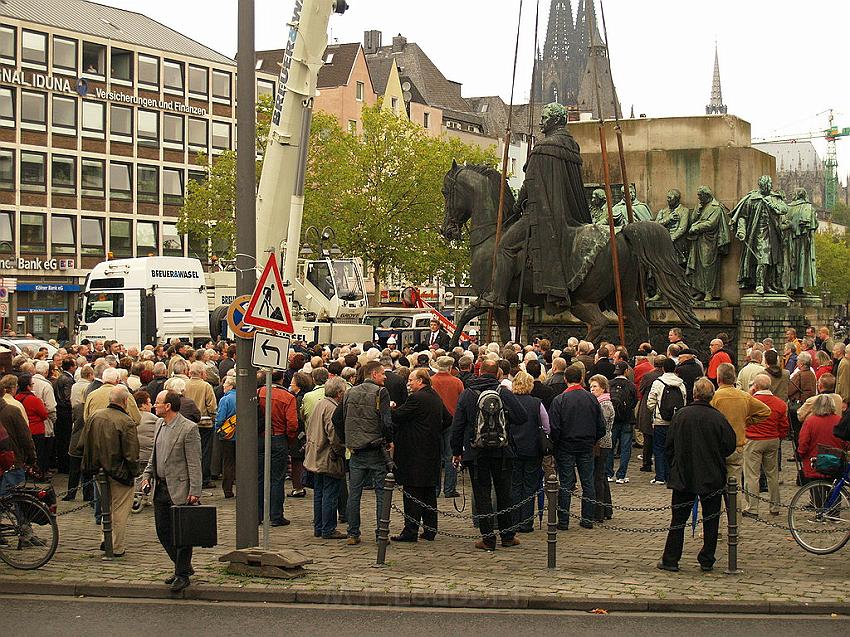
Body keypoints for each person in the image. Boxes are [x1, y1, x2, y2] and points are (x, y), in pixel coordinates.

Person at [478, 103, 602, 312]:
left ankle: (497, 296)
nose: (541, 121)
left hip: (541, 215)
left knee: (505, 247)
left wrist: (516, 208)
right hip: (568, 214)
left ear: (555, 120)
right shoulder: (571, 146)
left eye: (544, 118)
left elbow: (530, 183)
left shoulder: (543, 149)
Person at [658, 377, 736, 573]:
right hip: (711, 474)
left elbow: (669, 445)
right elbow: (729, 445)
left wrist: (674, 466)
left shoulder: (681, 416)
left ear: (694, 394)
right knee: (711, 519)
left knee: (678, 519)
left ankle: (671, 558)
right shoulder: (718, 418)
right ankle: (707, 558)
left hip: (684, 473)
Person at [451, 359, 527, 549]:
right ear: (498, 374)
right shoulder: (503, 392)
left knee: (482, 493)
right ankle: (507, 535)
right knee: (504, 493)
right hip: (502, 451)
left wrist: (456, 451)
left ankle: (487, 538)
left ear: (479, 372)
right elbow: (522, 417)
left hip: (476, 451)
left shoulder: (468, 394)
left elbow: (457, 425)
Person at [140, 391, 202, 593]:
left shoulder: (188, 429)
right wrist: (147, 476)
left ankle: (182, 574)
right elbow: (154, 456)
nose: (154, 406)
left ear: (168, 406)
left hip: (180, 488)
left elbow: (194, 462)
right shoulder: (159, 425)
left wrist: (195, 490)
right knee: (163, 531)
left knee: (182, 534)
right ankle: (182, 566)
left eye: (157, 403)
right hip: (160, 487)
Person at [390, 369, 452, 542]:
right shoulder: (434, 396)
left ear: (420, 381)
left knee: (412, 492)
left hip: (414, 452)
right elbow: (447, 419)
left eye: (411, 380)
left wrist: (389, 407)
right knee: (428, 493)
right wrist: (433, 430)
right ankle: (430, 529)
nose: (408, 383)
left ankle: (410, 530)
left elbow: (398, 416)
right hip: (432, 450)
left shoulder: (417, 398)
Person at [78, 385, 139, 557]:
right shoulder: (126, 421)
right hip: (119, 472)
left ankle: (105, 539)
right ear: (126, 401)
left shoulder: (95, 417)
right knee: (119, 510)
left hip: (98, 469)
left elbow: (82, 444)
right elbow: (131, 453)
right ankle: (116, 545)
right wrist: (134, 472)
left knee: (107, 506)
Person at [342, 360, 394, 545]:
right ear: (374, 374)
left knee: (354, 493)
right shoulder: (381, 392)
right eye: (382, 374)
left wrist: (346, 440)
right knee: (381, 492)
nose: (385, 377)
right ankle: (381, 533)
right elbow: (386, 421)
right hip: (375, 447)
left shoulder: (349, 392)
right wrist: (389, 441)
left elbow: (339, 418)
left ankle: (352, 533)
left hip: (356, 449)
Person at [549, 364, 604, 530]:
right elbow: (600, 425)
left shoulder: (560, 400)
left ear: (565, 379)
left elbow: (555, 427)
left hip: (566, 444)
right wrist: (592, 438)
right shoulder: (591, 398)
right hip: (586, 444)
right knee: (588, 482)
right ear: (581, 378)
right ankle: (587, 518)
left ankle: (564, 521)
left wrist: (557, 443)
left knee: (565, 483)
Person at [304, 376, 348, 540]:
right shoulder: (331, 408)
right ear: (339, 393)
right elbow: (334, 434)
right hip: (327, 456)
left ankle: (319, 527)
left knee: (320, 493)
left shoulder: (320, 404)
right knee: (329, 493)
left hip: (316, 455)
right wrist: (339, 451)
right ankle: (327, 528)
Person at [710, 363, 771, 483]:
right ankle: (735, 503)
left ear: (719, 378)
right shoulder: (744, 396)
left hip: (718, 445)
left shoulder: (714, 397)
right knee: (735, 484)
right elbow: (765, 411)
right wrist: (746, 421)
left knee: (717, 484)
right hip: (737, 444)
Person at [731, 175, 789, 294]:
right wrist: (741, 231)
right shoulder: (752, 199)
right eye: (764, 186)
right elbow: (743, 217)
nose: (766, 188)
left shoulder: (775, 198)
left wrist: (772, 205)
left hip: (773, 233)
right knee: (763, 259)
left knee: (773, 260)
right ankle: (759, 284)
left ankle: (769, 284)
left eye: (767, 186)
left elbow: (784, 209)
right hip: (758, 233)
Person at [742, 374, 789, 518]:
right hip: (772, 439)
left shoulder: (750, 401)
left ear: (755, 386)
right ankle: (775, 505)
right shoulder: (780, 403)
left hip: (753, 439)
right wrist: (779, 437)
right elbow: (784, 425)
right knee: (772, 474)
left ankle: (752, 507)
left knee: (752, 475)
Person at [258, 370, 298, 526]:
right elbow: (293, 424)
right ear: (282, 379)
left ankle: (258, 513)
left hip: (260, 437)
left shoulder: (258, 392)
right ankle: (275, 515)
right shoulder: (288, 397)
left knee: (260, 477)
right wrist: (289, 439)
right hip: (279, 437)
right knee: (277, 478)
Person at [510, 371, 549, 533]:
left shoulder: (509, 402)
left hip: (513, 448)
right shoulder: (536, 403)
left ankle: (513, 520)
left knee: (515, 485)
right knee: (529, 485)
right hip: (532, 449)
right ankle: (526, 522)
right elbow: (547, 426)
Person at [686, 186, 731, 301]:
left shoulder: (716, 208)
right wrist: (697, 211)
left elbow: (711, 223)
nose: (698, 198)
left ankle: (709, 292)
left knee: (708, 267)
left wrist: (696, 227)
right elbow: (692, 220)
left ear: (707, 195)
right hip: (698, 241)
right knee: (697, 266)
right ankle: (700, 290)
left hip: (709, 242)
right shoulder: (701, 206)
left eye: (700, 195)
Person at [645, 357, 686, 485]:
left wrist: (655, 411)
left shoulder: (658, 383)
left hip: (660, 420)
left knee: (659, 448)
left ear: (663, 368)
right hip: (676, 421)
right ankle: (671, 475)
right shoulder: (681, 383)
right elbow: (684, 401)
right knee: (673, 449)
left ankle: (660, 476)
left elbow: (650, 403)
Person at [430, 356, 464, 498]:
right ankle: (449, 489)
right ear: (450, 368)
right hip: (452, 422)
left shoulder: (431, 381)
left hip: (434, 422)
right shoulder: (457, 382)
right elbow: (461, 403)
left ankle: (435, 488)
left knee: (435, 455)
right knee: (451, 456)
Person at [797, 394, 846, 484]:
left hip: (815, 463)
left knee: (817, 494)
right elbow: (846, 442)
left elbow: (803, 442)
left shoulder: (810, 421)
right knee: (834, 492)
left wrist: (801, 454)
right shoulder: (840, 420)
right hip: (835, 462)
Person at [184, 362, 217, 489]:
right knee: (205, 452)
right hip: (205, 424)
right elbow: (211, 406)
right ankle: (204, 478)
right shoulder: (206, 386)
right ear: (202, 373)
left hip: (188, 423)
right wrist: (214, 418)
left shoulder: (185, 385)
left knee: (191, 453)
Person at [0, 383, 36, 495]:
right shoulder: (12, 411)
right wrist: (32, 458)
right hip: (13, 461)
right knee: (17, 500)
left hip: (8, 461)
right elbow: (25, 437)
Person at [589, 374, 613, 522]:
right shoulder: (599, 402)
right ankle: (606, 508)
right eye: (591, 387)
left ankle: (598, 511)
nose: (592, 389)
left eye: (595, 387)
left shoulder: (604, 404)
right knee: (601, 476)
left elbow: (601, 425)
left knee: (598, 476)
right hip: (601, 442)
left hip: (601, 443)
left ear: (603, 388)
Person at [607, 362, 637, 483]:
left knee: (610, 446)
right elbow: (634, 401)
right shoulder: (631, 385)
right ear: (626, 371)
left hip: (613, 419)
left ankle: (608, 473)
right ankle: (621, 475)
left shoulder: (610, 384)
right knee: (625, 448)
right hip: (627, 419)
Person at [15, 374, 49, 478]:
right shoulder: (34, 400)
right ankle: (38, 474)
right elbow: (44, 414)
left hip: (22, 431)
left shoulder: (16, 398)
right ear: (28, 386)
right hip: (36, 430)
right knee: (38, 454)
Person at [655, 188, 690, 267]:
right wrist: (668, 218)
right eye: (667, 197)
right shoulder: (662, 211)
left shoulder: (684, 211)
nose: (668, 200)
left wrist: (671, 239)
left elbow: (682, 228)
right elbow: (656, 225)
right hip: (663, 243)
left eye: (670, 198)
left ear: (677, 199)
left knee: (678, 266)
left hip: (678, 244)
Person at [214, 376, 236, 498]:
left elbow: (220, 418)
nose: (223, 386)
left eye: (225, 384)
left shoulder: (225, 399)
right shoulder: (244, 397)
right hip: (242, 435)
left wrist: (218, 429)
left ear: (231, 386)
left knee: (228, 462)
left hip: (228, 435)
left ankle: (228, 490)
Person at [54, 357, 76, 474]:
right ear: (71, 367)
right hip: (65, 413)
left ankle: (63, 465)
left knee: (63, 440)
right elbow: (67, 397)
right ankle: (65, 466)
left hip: (61, 412)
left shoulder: (61, 377)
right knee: (66, 440)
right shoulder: (67, 379)